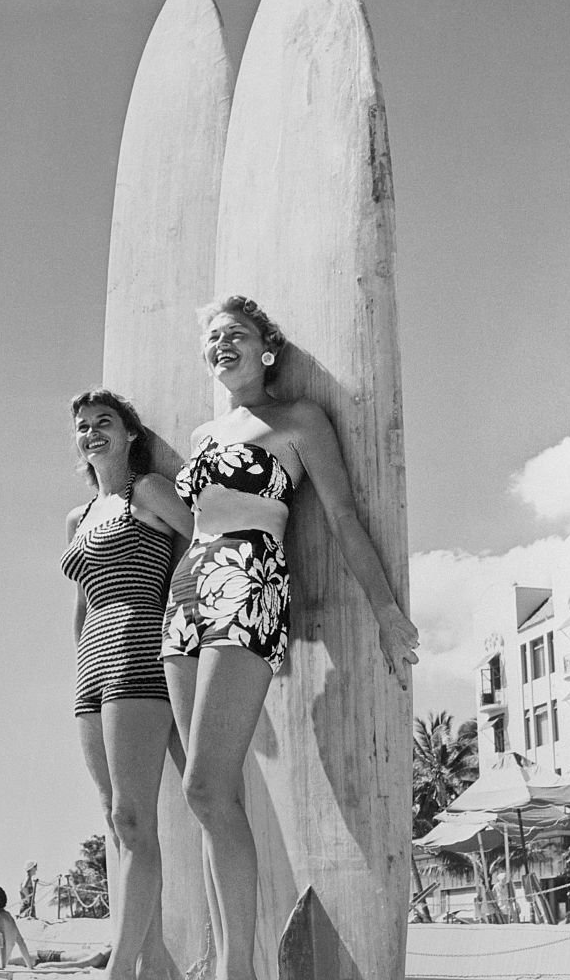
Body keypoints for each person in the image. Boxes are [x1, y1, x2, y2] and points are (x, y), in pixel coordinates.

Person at [161, 295, 420, 980]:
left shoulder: (300, 420)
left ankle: (234, 972)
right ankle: (228, 963)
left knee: (206, 785)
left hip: (249, 581)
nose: (222, 345)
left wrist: (386, 610)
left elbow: (341, 516)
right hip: (187, 595)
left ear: (266, 348)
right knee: (207, 797)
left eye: (236, 335)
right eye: (213, 337)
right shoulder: (200, 435)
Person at [60, 388, 193, 980]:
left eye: (104, 422)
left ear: (130, 433)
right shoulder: (78, 516)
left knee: (135, 819)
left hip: (141, 653)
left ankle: (121, 966)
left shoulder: (148, 491)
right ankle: (153, 957)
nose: (92, 432)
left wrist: (180, 614)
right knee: (115, 818)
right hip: (91, 668)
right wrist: (76, 661)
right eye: (83, 426)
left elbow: (201, 542)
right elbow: (81, 604)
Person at [0, 885, 33, 969]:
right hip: (0, 961)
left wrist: (2, 967)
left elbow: (1, 941)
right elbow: (21, 942)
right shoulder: (8, 916)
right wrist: (30, 966)